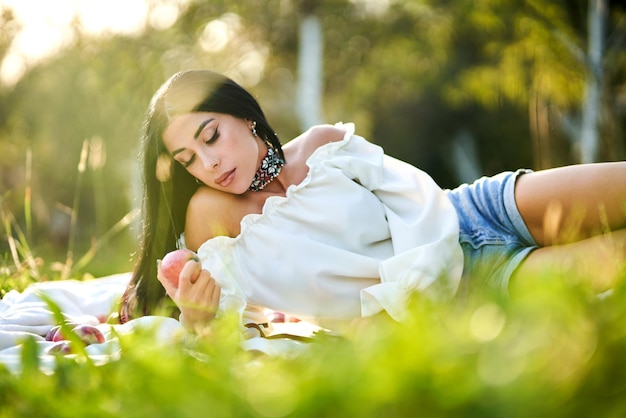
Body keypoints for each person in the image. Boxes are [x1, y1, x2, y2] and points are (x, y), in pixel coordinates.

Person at [120, 69, 626, 336]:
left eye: (212, 136)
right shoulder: (212, 215)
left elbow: (418, 198)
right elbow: (221, 325)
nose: (207, 164)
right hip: (464, 285)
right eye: (187, 158)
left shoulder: (323, 143)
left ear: (244, 116)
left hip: (475, 209)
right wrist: (199, 319)